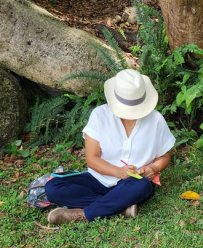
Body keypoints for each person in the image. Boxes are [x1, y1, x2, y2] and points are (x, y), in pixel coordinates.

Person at [45, 69, 176, 225]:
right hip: (97, 179)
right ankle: (121, 207)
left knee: (142, 186)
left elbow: (165, 156)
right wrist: (119, 172)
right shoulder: (99, 115)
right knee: (53, 187)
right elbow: (92, 159)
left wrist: (153, 169)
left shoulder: (156, 120)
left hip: (132, 184)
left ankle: (82, 215)